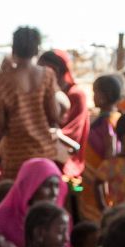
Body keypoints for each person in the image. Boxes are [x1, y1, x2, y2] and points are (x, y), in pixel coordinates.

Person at [0, 26, 67, 178]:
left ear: (14, 49)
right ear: (37, 49)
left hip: (15, 156)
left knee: (19, 198)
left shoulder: (4, 80)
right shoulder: (47, 76)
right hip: (44, 153)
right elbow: (54, 115)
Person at [37, 48, 91, 181]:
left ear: (56, 70)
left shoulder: (76, 95)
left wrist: (45, 136)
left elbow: (73, 132)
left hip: (65, 156)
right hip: (45, 147)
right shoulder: (43, 93)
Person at [0, 157, 62, 245]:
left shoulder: (57, 217)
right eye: (47, 186)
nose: (55, 193)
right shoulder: (4, 217)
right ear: (31, 185)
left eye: (57, 186)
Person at [82, 74, 124, 172]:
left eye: (95, 92)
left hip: (98, 170)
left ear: (103, 96)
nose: (93, 96)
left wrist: (105, 173)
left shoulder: (107, 121)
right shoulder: (116, 116)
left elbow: (111, 148)